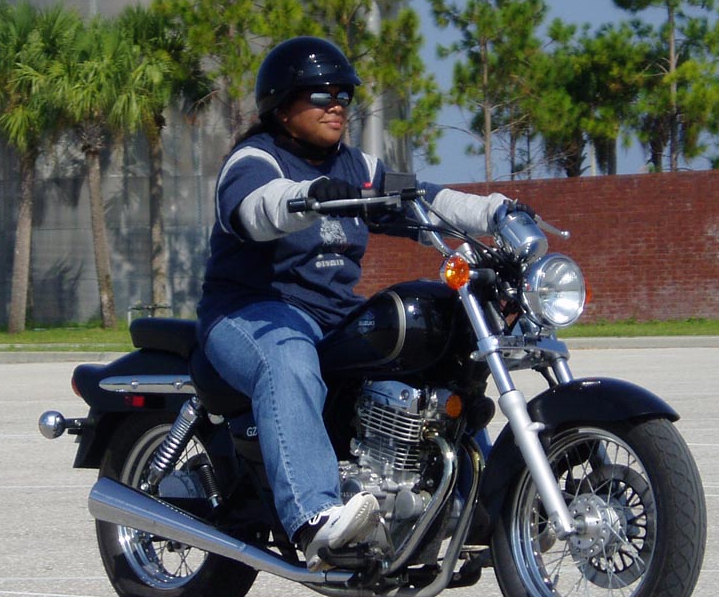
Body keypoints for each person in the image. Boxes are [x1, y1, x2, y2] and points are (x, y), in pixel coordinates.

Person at [196, 36, 522, 569]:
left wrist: (494, 213)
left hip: (332, 314)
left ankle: (468, 501)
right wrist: (301, 197)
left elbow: (421, 199)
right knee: (288, 359)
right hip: (251, 312)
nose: (337, 105)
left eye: (343, 95)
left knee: (432, 353)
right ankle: (314, 519)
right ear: (281, 105)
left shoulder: (356, 166)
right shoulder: (256, 159)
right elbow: (251, 207)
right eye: (320, 95)